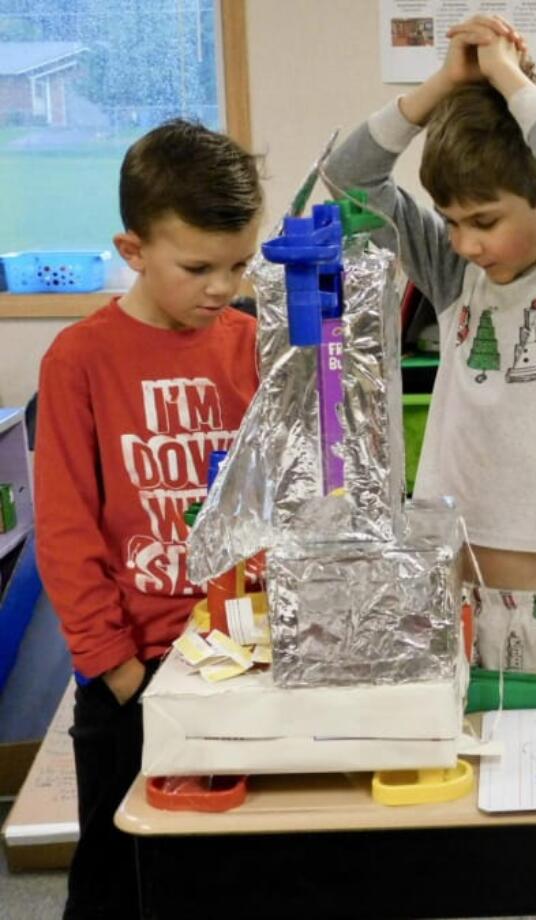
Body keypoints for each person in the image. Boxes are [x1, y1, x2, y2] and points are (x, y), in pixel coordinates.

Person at [325, 15, 536, 671]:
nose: (465, 242)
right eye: (451, 221)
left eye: (485, 221)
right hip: (451, 594)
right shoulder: (456, 279)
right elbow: (348, 176)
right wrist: (444, 82)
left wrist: (506, 74)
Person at [34, 118, 262, 918]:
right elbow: (66, 531)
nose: (222, 287)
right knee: (120, 879)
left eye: (239, 264)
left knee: (238, 873)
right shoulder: (79, 360)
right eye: (197, 267)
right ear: (132, 251)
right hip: (136, 674)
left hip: (242, 658)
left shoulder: (254, 347)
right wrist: (118, 668)